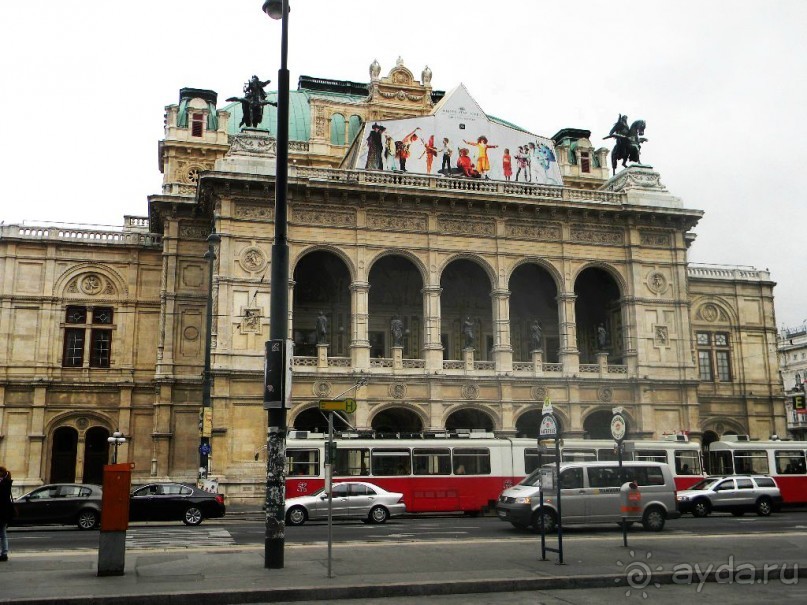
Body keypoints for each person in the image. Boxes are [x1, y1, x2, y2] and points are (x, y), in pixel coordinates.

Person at [0, 466, 13, 562]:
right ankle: (4, 553)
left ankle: (4, 553)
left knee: (2, 534)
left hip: (2, 512)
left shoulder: (4, 483)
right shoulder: (7, 482)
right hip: (4, 513)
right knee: (3, 534)